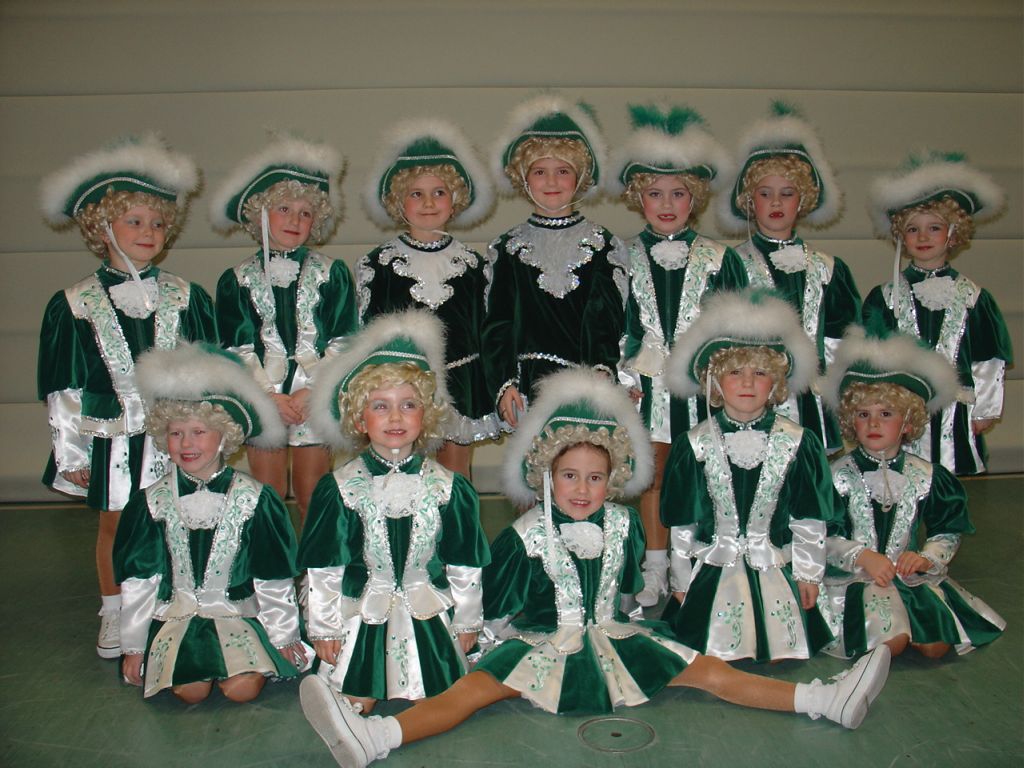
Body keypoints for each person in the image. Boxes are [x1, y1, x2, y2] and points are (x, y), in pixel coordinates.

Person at [299, 368, 891, 768]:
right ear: (545, 477)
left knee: (709, 671)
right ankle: (377, 738)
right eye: (569, 476)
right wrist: (487, 638)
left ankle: (822, 700)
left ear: (614, 480)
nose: (582, 489)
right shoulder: (526, 534)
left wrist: (634, 617)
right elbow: (495, 597)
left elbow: (628, 591)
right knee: (470, 692)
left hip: (613, 637)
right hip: (542, 643)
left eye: (596, 477)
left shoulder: (626, 525)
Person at [38, 135, 215, 658]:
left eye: (157, 223)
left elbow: (210, 373)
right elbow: (64, 384)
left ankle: (174, 600)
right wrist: (71, 454)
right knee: (116, 523)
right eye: (134, 221)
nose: (148, 232)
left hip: (177, 435)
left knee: (176, 518)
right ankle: (114, 609)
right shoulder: (74, 302)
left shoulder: (187, 295)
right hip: (111, 437)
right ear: (103, 227)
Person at [298, 309, 490, 713]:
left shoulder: (449, 487)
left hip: (428, 616)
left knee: (438, 700)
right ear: (359, 419)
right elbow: (325, 567)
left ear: (427, 413)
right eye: (381, 406)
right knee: (357, 702)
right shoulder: (339, 488)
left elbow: (464, 562)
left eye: (408, 404)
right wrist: (325, 628)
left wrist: (467, 621)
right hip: (362, 616)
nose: (396, 417)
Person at [608, 103, 749, 606]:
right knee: (653, 474)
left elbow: (735, 328)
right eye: (654, 193)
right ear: (637, 197)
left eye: (678, 193)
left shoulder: (721, 258)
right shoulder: (622, 254)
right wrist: (623, 375)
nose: (666, 204)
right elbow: (615, 323)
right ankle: (655, 565)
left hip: (703, 384)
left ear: (695, 197)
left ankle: (696, 564)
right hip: (645, 382)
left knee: (703, 473)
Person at [114, 342, 308, 702]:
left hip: (237, 616)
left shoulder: (255, 499)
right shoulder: (151, 503)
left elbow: (271, 576)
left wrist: (284, 636)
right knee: (191, 691)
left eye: (199, 432)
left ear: (224, 437)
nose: (186, 444)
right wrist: (134, 646)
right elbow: (141, 581)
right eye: (176, 433)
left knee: (242, 689)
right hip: (177, 618)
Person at [660, 290, 836, 662]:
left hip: (775, 567)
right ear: (714, 382)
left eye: (759, 373)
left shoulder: (798, 442)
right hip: (711, 569)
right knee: (706, 652)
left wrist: (808, 573)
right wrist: (681, 579)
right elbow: (683, 522)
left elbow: (808, 515)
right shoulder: (693, 444)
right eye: (734, 373)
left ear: (775, 383)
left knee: (781, 651)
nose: (747, 383)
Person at [818, 325, 1006, 659]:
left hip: (908, 577)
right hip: (856, 579)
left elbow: (946, 528)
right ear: (850, 421)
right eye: (863, 414)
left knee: (936, 647)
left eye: (886, 414)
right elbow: (821, 533)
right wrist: (862, 556)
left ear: (907, 423)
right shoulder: (836, 476)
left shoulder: (928, 475)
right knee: (891, 642)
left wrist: (925, 557)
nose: (873, 423)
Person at [211, 136, 359, 524]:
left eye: (305, 213)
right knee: (269, 494)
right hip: (263, 397)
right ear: (260, 214)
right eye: (283, 209)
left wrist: (314, 390)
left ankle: (316, 563)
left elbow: (344, 339)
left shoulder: (332, 272)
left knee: (313, 492)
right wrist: (268, 397)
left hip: (314, 395)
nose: (295, 220)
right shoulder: (236, 279)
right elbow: (235, 345)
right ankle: (271, 562)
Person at [718, 102, 861, 454]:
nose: (776, 203)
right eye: (765, 194)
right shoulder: (732, 263)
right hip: (755, 397)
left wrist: (839, 392)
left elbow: (840, 339)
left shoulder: (829, 268)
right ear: (750, 201)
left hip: (814, 401)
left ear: (804, 199)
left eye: (787, 193)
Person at [358, 118, 499, 477]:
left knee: (455, 473)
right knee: (404, 471)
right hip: (402, 389)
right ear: (398, 201)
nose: (428, 203)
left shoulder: (474, 264)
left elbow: (484, 330)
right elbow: (367, 333)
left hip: (462, 385)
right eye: (416, 194)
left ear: (455, 199)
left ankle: (458, 515)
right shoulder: (378, 264)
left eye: (439, 192)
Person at [482, 94, 627, 428]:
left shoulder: (603, 245)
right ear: (523, 177)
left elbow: (604, 318)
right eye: (539, 171)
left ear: (580, 177)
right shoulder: (507, 248)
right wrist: (505, 383)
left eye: (563, 171)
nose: (551, 182)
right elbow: (498, 324)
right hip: (527, 385)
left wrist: (601, 371)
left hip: (585, 384)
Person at [863, 151, 1012, 475]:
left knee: (952, 481)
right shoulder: (884, 297)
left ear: (953, 233)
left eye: (934, 227)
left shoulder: (974, 297)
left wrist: (984, 409)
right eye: (913, 229)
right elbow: (871, 359)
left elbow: (987, 358)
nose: (923, 237)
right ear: (900, 235)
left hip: (955, 415)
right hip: (901, 414)